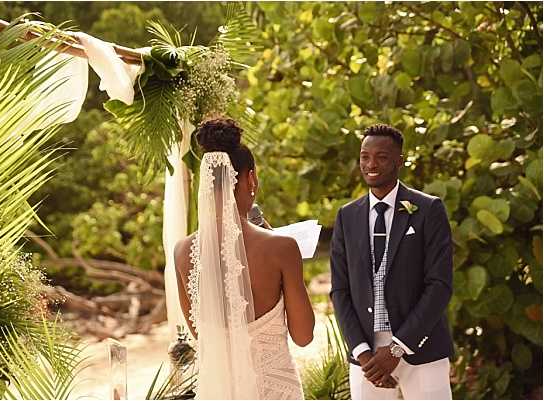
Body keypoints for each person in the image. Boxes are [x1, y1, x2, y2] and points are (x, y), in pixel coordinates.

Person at [174, 117, 315, 400]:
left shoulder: (182, 251)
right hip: (275, 391)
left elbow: (203, 336)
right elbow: (304, 336)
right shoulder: (282, 248)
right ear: (251, 178)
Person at [330, 124, 454, 399]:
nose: (371, 164)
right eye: (364, 156)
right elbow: (340, 291)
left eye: (382, 157)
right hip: (367, 358)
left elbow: (440, 285)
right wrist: (362, 353)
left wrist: (398, 347)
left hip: (422, 349)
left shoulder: (428, 209)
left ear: (400, 161)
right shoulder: (346, 216)